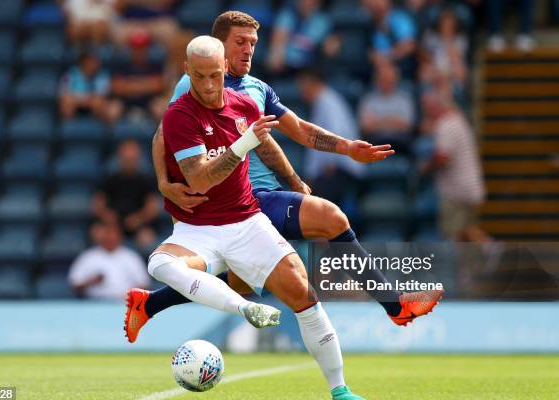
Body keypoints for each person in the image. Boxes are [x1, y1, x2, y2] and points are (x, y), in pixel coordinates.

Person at [143, 11, 442, 336]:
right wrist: (164, 184)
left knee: (244, 283)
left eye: (253, 43)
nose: (248, 50)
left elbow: (298, 130)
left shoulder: (257, 88)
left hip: (260, 196)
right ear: (218, 46)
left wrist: (346, 149)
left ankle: (148, 305)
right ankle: (395, 305)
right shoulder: (198, 81)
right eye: (240, 42)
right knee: (332, 219)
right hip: (232, 203)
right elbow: (163, 135)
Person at [127, 36, 375, 400]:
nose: (209, 86)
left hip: (246, 223)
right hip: (198, 229)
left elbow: (268, 142)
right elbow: (200, 178)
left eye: (215, 75)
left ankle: (340, 391)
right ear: (186, 72)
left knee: (302, 293)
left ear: (225, 68)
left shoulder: (244, 103)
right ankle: (243, 307)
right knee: (160, 263)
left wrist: (293, 181)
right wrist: (238, 146)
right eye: (199, 77)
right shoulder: (179, 114)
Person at [420, 91, 489, 243]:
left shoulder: (446, 125)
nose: (426, 113)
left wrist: (426, 167)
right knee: (467, 231)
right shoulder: (457, 120)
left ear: (435, 107)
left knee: (454, 234)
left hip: (457, 191)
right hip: (469, 187)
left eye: (427, 109)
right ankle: (490, 251)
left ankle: (490, 250)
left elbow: (443, 156)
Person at [296, 68, 364, 204]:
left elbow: (335, 134)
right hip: (333, 169)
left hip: (340, 168)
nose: (301, 90)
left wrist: (329, 164)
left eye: (303, 85)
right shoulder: (321, 102)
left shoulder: (328, 102)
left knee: (317, 207)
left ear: (311, 84)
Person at [92, 139, 161, 251]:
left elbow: (153, 208)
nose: (129, 162)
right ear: (119, 158)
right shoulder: (109, 179)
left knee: (147, 238)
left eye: (132, 159)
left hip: (138, 226)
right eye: (126, 159)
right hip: (112, 225)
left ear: (138, 159)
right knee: (97, 233)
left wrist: (138, 219)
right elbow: (98, 205)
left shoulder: (147, 181)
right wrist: (108, 217)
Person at [68, 222, 149, 299]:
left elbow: (144, 284)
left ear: (120, 237)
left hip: (125, 304)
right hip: (93, 304)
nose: (110, 238)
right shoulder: (87, 257)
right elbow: (75, 284)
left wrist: (129, 296)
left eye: (113, 235)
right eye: (107, 235)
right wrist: (90, 281)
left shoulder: (131, 257)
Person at [359, 61, 415, 154]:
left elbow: (406, 126)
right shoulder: (368, 100)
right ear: (377, 80)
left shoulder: (404, 99)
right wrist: (393, 120)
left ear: (396, 80)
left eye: (390, 80)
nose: (387, 83)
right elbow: (366, 127)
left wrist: (378, 122)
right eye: (383, 80)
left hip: (400, 144)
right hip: (375, 143)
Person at [266, 0, 332, 75]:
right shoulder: (286, 15)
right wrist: (276, 56)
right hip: (286, 65)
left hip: (309, 66)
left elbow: (323, 47)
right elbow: (277, 42)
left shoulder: (323, 20)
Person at [110, 31, 166, 120]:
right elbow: (117, 87)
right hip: (125, 101)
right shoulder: (122, 64)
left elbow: (158, 86)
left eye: (142, 48)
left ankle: (161, 134)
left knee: (160, 110)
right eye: (136, 48)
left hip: (149, 100)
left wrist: (129, 85)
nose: (139, 51)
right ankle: (111, 134)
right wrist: (146, 85)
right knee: (112, 111)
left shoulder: (155, 65)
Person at [59, 51, 121, 123]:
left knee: (101, 103)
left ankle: (99, 129)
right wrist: (83, 99)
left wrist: (88, 99)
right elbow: (64, 92)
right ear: (83, 62)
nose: (94, 64)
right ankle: (69, 128)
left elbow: (103, 95)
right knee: (67, 102)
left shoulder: (102, 75)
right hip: (76, 103)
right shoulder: (70, 74)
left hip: (95, 105)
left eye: (95, 61)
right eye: (91, 61)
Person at [362, 0, 417, 77]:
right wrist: (376, 58)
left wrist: (388, 58)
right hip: (378, 68)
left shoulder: (400, 19)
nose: (376, 4)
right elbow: (369, 50)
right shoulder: (369, 24)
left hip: (401, 65)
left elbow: (409, 45)